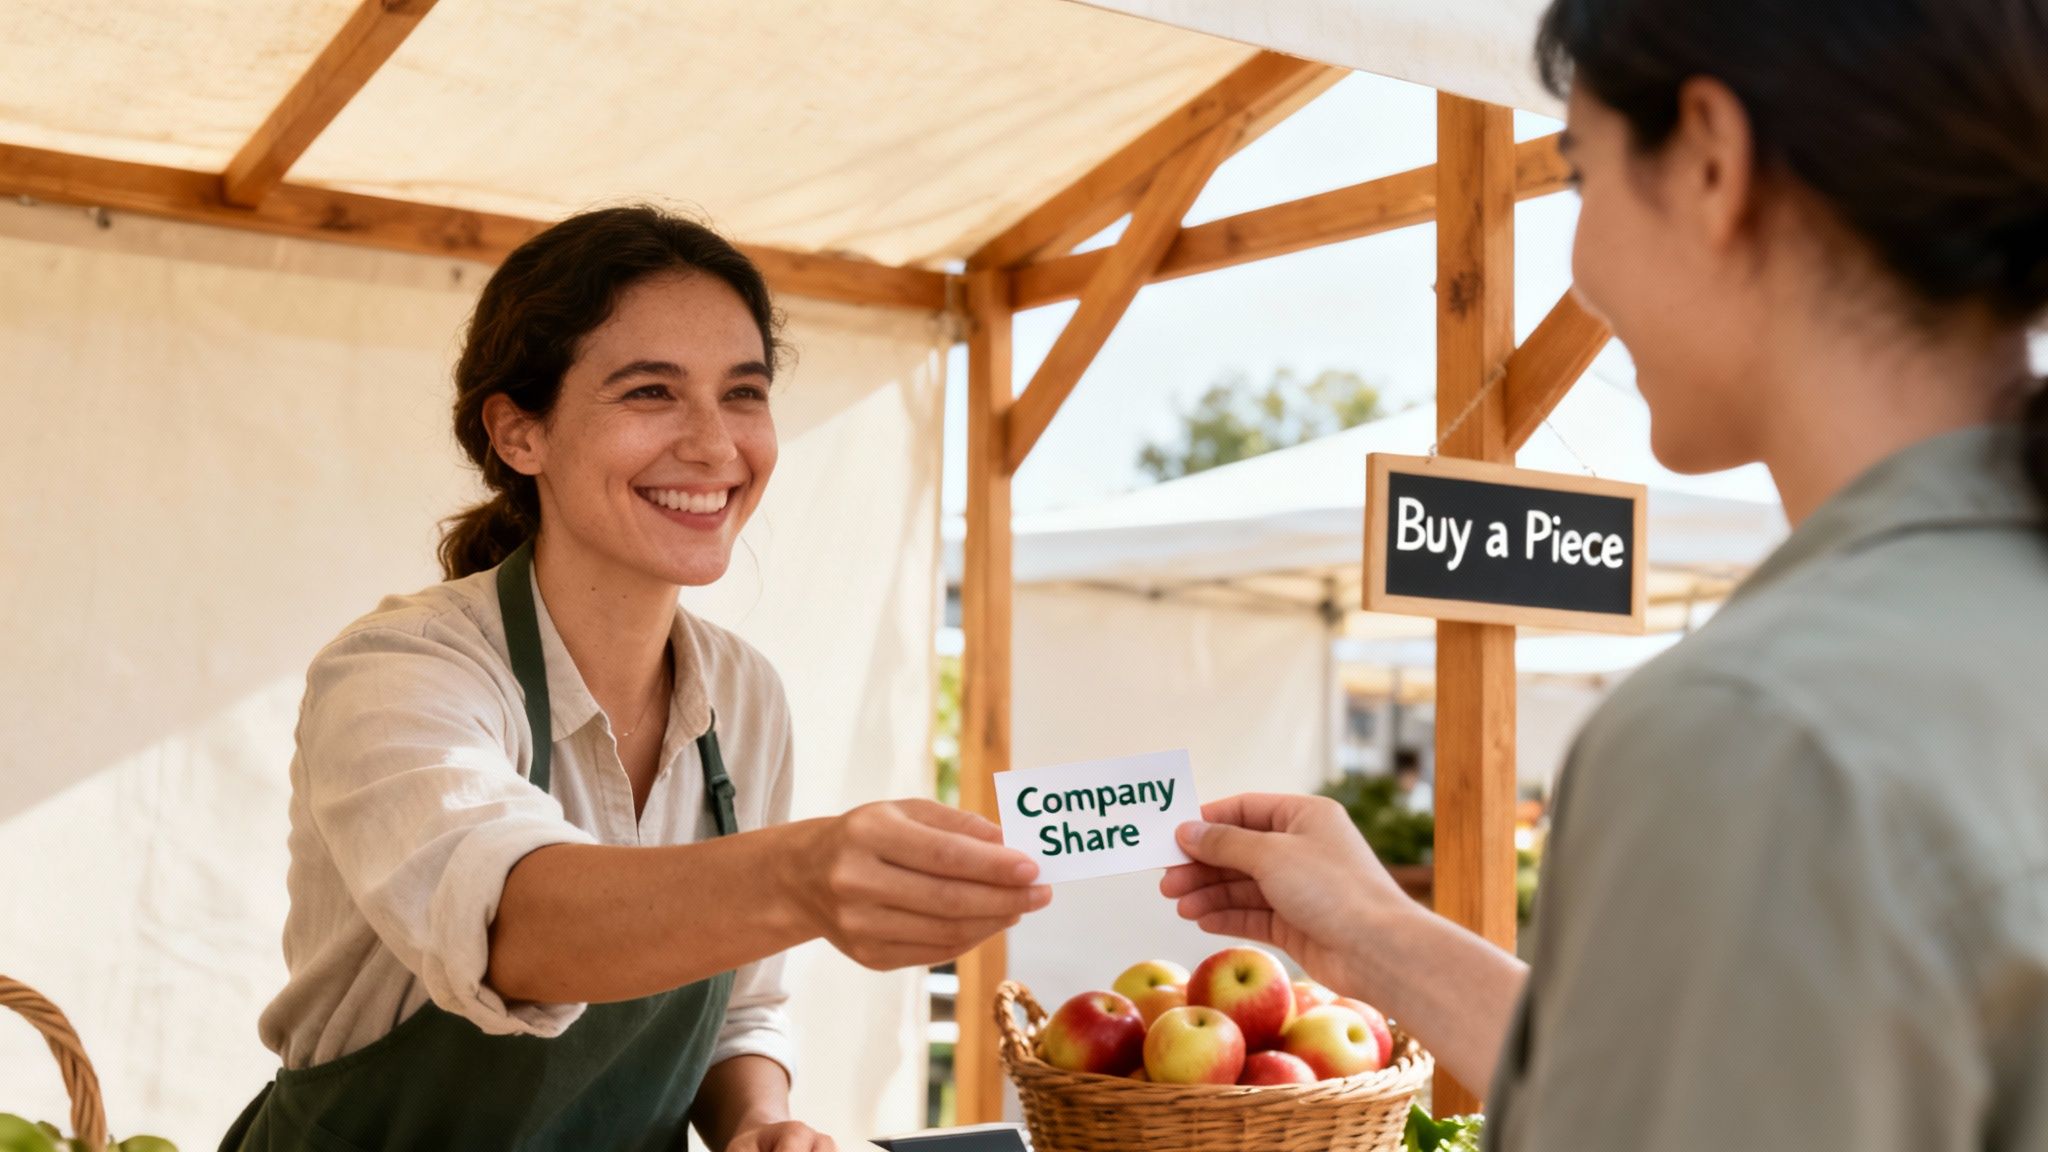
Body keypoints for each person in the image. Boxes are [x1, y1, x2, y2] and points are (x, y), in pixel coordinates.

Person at [1163, 0, 2048, 1146]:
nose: (1581, 277)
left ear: (1711, 162)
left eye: (1579, 174)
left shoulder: (1757, 733)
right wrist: (1375, 937)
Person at [223, 206, 1051, 1152]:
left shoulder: (743, 697)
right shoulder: (402, 672)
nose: (713, 445)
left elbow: (741, 1008)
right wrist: (804, 874)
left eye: (743, 393)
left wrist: (761, 1123)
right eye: (651, 391)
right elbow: (507, 928)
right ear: (519, 433)